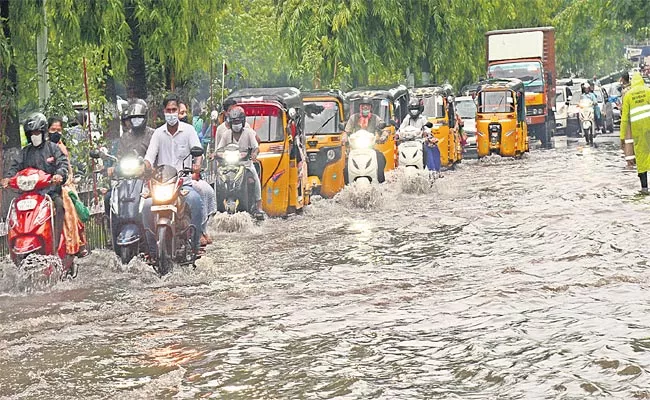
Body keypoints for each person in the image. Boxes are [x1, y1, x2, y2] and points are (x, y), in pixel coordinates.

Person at [142, 94, 205, 258]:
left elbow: (198, 152)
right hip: (162, 184)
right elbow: (149, 156)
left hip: (183, 183)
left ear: (178, 111)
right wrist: (145, 166)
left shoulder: (189, 131)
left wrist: (196, 165)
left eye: (174, 110)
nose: (171, 113)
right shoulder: (158, 133)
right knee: (146, 206)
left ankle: (195, 245)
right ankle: (152, 251)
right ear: (164, 112)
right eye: (168, 110)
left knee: (195, 201)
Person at [2, 113, 69, 250]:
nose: (35, 135)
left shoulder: (52, 148)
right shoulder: (25, 152)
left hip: (49, 193)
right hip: (28, 194)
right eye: (32, 132)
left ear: (43, 132)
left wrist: (58, 175)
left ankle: (56, 243)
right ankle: (14, 245)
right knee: (15, 209)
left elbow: (63, 165)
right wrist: (8, 179)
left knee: (60, 205)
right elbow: (15, 167)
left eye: (38, 132)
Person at [215, 106, 266, 219]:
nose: (236, 124)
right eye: (234, 122)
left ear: (242, 122)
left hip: (245, 164)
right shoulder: (226, 134)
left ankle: (258, 205)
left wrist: (254, 154)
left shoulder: (249, 133)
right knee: (218, 178)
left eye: (238, 121)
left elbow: (256, 147)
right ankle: (216, 206)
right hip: (228, 166)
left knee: (255, 178)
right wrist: (215, 155)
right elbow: (219, 149)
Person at [48, 116, 88, 257]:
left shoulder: (62, 148)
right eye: (53, 129)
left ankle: (76, 244)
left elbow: (67, 169)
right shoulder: (44, 148)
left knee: (71, 205)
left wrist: (66, 179)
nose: (56, 132)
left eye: (59, 130)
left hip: (64, 184)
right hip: (46, 186)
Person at [179, 100, 216, 245]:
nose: (180, 116)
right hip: (166, 181)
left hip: (187, 177)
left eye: (183, 113)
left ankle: (201, 230)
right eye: (178, 112)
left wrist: (196, 168)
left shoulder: (190, 132)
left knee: (203, 190)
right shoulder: (160, 134)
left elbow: (198, 155)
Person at [343, 97, 387, 183]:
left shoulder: (375, 118)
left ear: (371, 108)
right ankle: (348, 188)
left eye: (367, 106)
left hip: (370, 148)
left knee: (381, 159)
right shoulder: (353, 118)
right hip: (355, 149)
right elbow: (346, 131)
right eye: (363, 106)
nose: (365, 108)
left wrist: (383, 136)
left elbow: (384, 130)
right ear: (360, 107)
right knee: (346, 168)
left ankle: (381, 185)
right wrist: (344, 139)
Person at [620, 72, 650, 194]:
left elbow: (624, 119)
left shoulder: (628, 95)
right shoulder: (648, 91)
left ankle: (644, 188)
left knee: (641, 158)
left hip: (637, 132)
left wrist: (622, 137)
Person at [399, 98, 441, 177]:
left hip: (420, 142)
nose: (414, 111)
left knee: (426, 150)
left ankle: (430, 170)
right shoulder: (407, 118)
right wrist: (398, 134)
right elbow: (401, 128)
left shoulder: (422, 118)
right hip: (407, 142)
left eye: (415, 109)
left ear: (419, 109)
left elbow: (427, 128)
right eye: (412, 109)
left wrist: (426, 133)